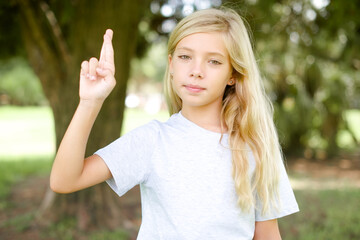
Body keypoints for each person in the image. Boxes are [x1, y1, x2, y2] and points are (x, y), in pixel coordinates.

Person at [50, 7, 299, 240]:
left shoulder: (256, 146)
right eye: (185, 57)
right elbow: (64, 180)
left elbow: (267, 234)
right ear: (171, 65)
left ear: (233, 74)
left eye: (213, 61)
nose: (196, 71)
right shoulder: (153, 140)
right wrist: (90, 102)